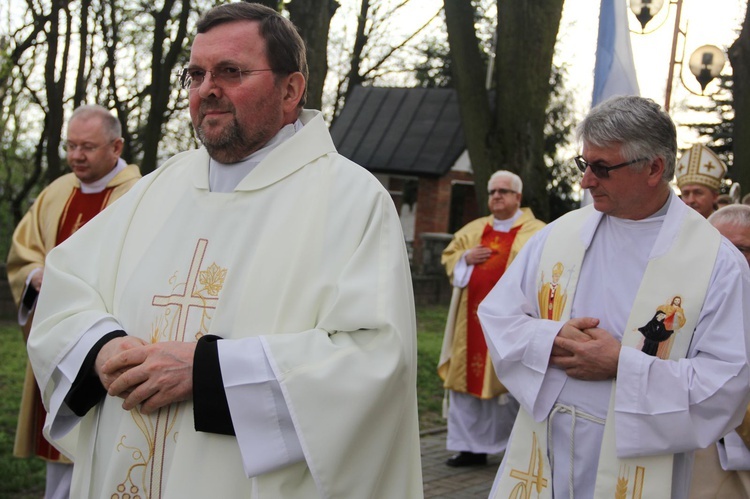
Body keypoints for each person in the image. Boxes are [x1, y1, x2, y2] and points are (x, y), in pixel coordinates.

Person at [26, 3, 422, 497]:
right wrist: (102, 348)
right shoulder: (159, 188)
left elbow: (377, 359)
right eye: (196, 74)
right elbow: (67, 285)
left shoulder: (351, 200)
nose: (206, 88)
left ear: (291, 90)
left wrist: (207, 372)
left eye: (230, 71)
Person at [478, 95, 750, 499]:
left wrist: (621, 364)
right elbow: (499, 316)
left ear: (654, 168)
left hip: (640, 464)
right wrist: (551, 339)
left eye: (602, 168)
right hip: (546, 451)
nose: (586, 181)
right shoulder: (558, 236)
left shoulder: (718, 263)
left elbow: (725, 384)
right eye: (584, 165)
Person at [6, 104, 141, 499]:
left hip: (106, 342)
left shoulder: (139, 196)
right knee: (56, 458)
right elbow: (24, 250)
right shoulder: (57, 192)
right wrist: (35, 276)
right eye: (71, 146)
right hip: (58, 341)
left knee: (97, 455)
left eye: (87, 147)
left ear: (116, 147)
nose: (76, 156)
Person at [438, 170, 545, 467]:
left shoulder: (538, 232)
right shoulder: (473, 230)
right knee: (466, 384)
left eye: (503, 191)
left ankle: (514, 449)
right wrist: (464, 259)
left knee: (509, 387)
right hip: (470, 323)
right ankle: (469, 448)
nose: (496, 196)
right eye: (492, 191)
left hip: (512, 323)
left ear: (518, 197)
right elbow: (450, 256)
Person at [688, 204, 750, 498]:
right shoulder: (683, 305)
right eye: (718, 248)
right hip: (696, 460)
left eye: (742, 248)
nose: (730, 258)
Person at [676, 143, 727, 218]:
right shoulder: (672, 227)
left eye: (698, 193)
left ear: (714, 196)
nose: (691, 200)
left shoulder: (725, 227)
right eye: (686, 194)